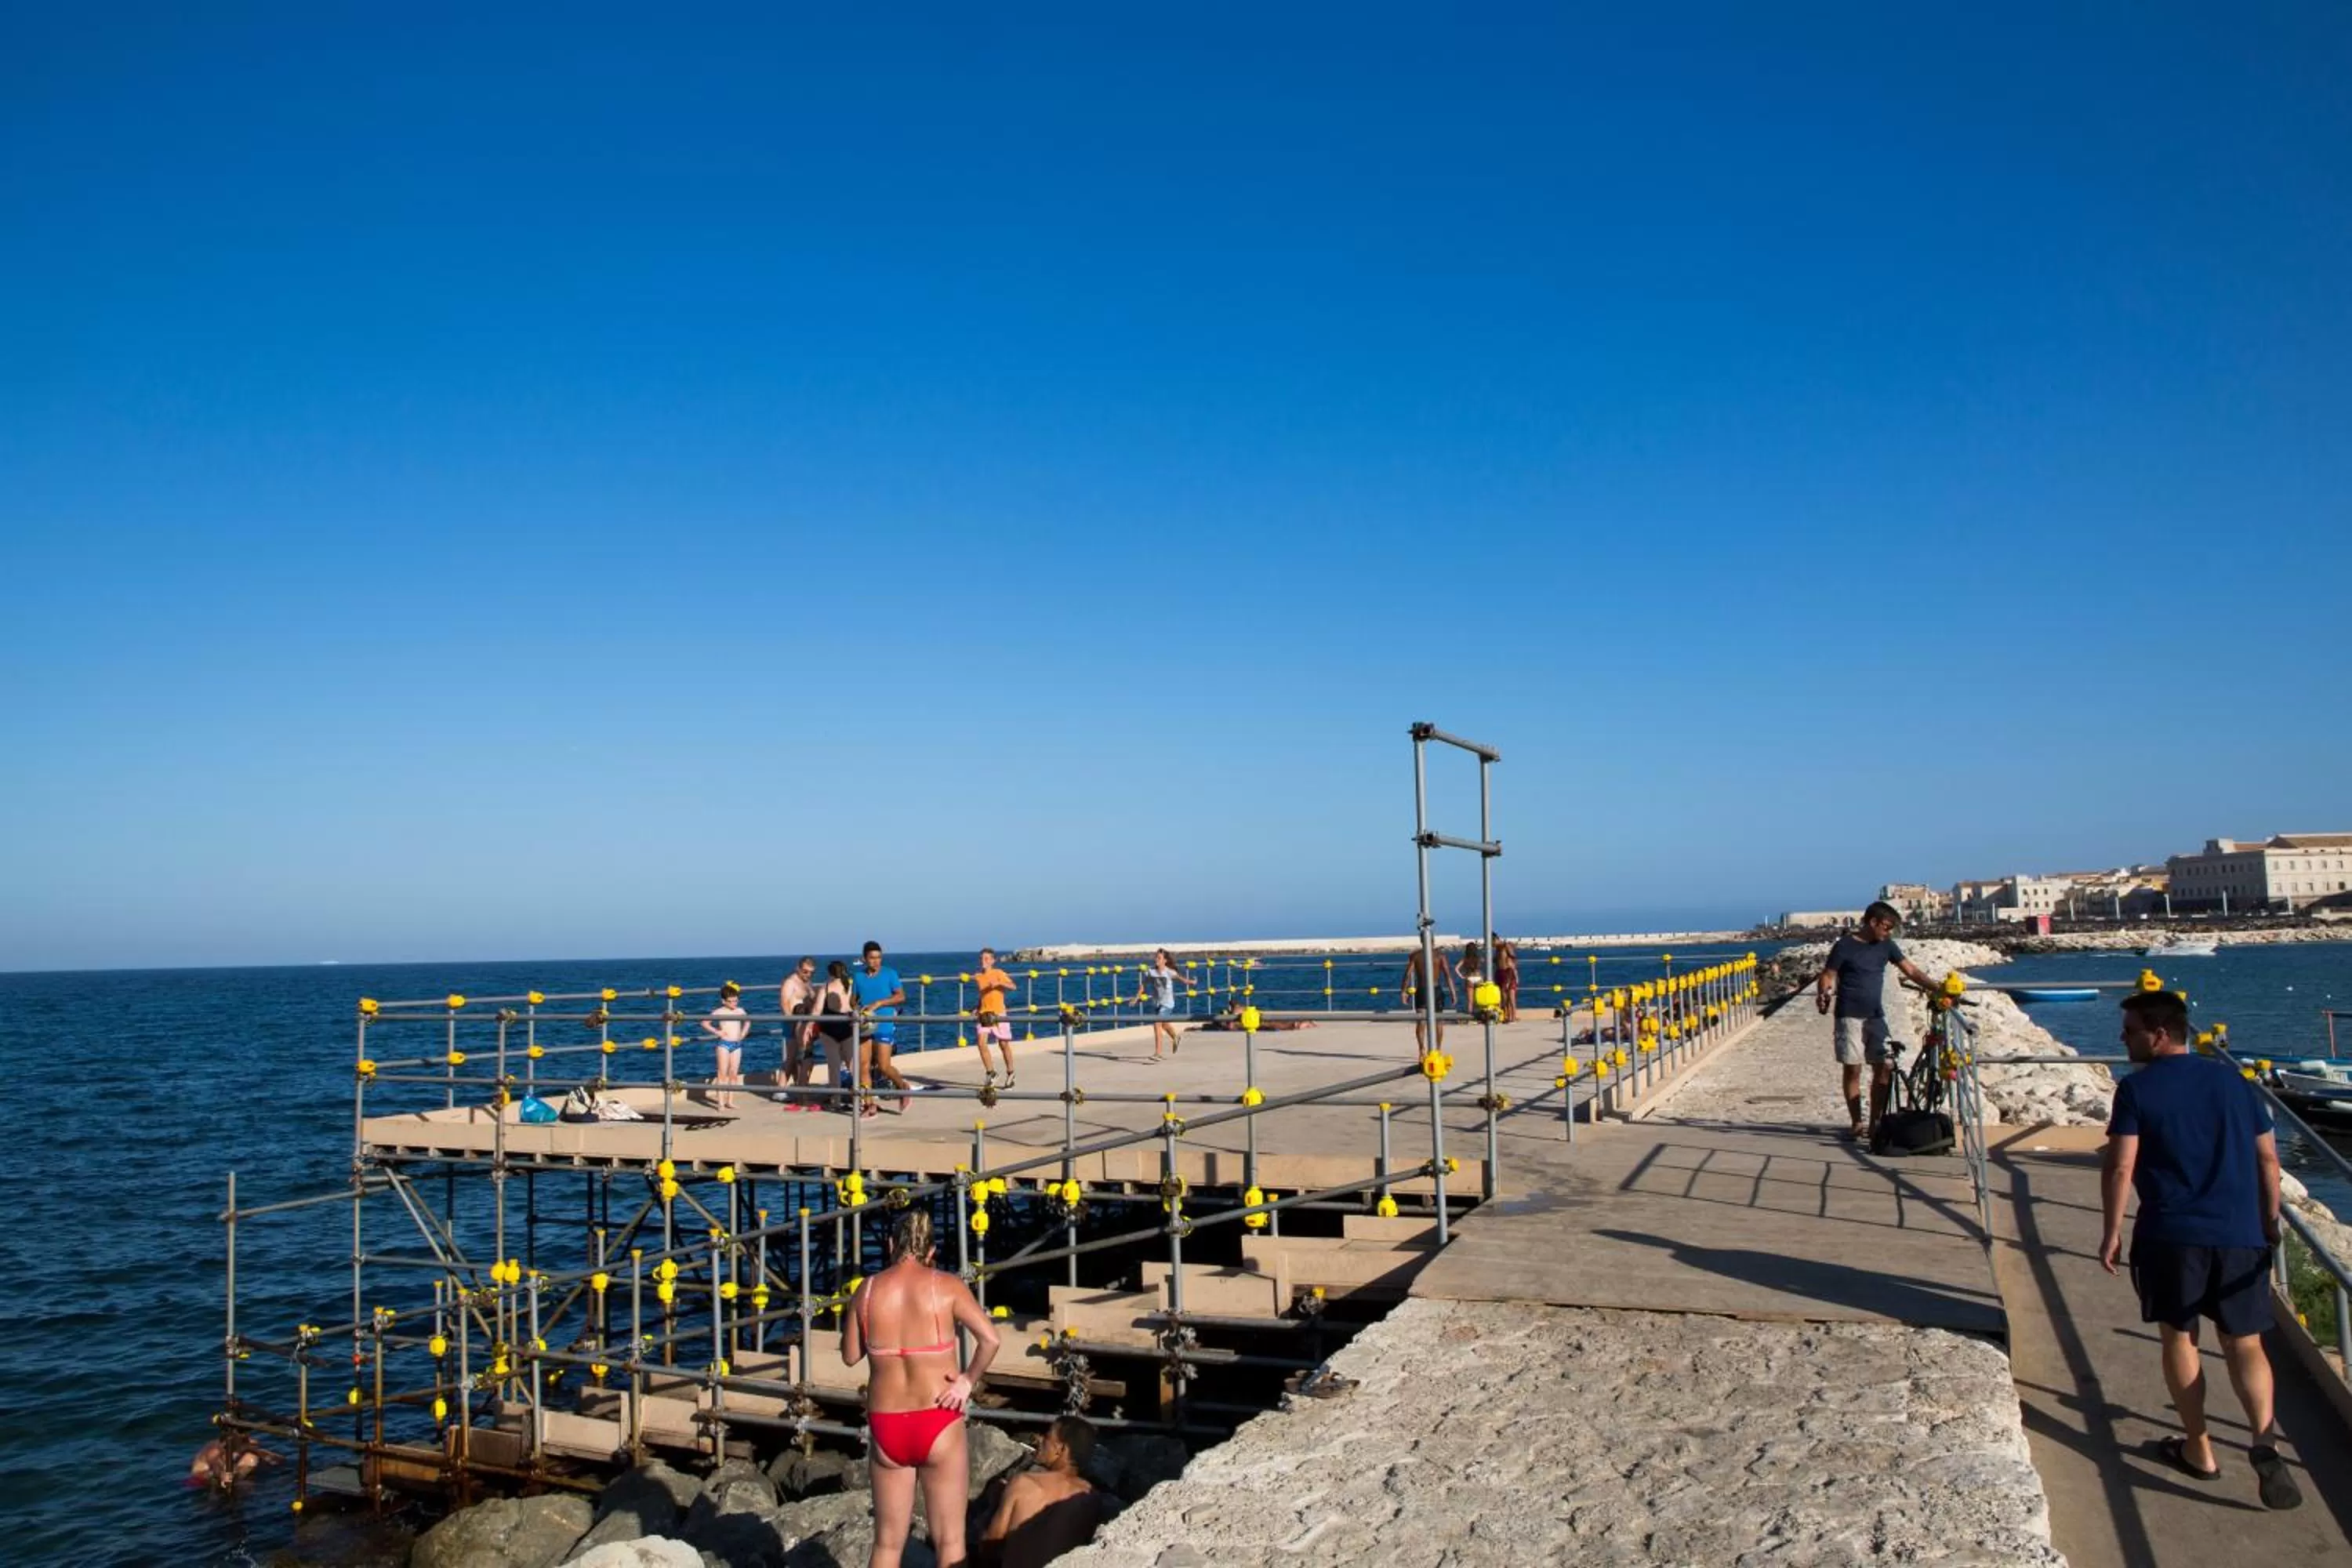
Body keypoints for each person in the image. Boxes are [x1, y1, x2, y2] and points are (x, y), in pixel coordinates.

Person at [2100, 989, 2302, 1508]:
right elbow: (2267, 1161)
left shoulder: (2137, 1091)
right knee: (2246, 1343)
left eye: (2130, 1031)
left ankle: (2200, 1450)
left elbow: (2121, 1165)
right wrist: (2270, 1220)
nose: (2123, 1039)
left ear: (2160, 1034)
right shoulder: (2236, 1083)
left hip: (2172, 1235)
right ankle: (2263, 1441)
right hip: (2240, 1232)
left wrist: (2111, 1231)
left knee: (2180, 1338)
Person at [842, 1208, 1002, 1568]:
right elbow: (990, 1339)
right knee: (950, 1542)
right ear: (931, 1251)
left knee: (886, 1545)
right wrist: (966, 1382)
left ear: (889, 1245)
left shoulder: (866, 1291)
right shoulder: (946, 1286)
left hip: (887, 1424)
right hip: (938, 1418)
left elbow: (850, 1356)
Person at [1813, 902, 1938, 1139]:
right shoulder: (1844, 946)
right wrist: (1824, 994)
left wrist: (1939, 989)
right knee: (1853, 1069)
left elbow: (1911, 971)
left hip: (1876, 1016)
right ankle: (1857, 1122)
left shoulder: (1886, 946)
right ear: (1873, 923)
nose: (1889, 932)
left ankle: (1875, 1123)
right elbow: (1828, 975)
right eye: (1887, 927)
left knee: (1884, 1067)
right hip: (1848, 1016)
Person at [979, 1415, 1107, 1568]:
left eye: (1047, 1437)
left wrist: (995, 1503)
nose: (1040, 1441)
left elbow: (990, 1546)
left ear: (1061, 1449)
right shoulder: (1091, 1498)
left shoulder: (1024, 1483)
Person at [855, 941, 913, 1114]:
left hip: (884, 1023)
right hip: (865, 1024)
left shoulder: (890, 974)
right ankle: (869, 1104)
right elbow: (854, 1000)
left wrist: (880, 1003)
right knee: (863, 1066)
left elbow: (901, 996)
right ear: (864, 959)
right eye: (872, 958)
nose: (876, 961)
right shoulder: (858, 977)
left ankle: (903, 1087)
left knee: (884, 1066)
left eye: (879, 957)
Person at [813, 960, 859, 1115]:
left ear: (830, 973)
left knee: (834, 1067)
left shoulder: (825, 988)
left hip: (829, 1029)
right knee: (853, 1065)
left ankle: (836, 1101)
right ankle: (861, 1099)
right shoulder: (851, 987)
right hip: (848, 1027)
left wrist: (807, 1027)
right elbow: (857, 1006)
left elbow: (817, 1010)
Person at [1134, 949, 1193, 1061]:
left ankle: (1158, 1053)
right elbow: (1143, 985)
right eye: (1156, 957)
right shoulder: (1150, 972)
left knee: (1157, 1025)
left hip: (1167, 1004)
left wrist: (1192, 982)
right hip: (1156, 1003)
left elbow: (1182, 980)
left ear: (1165, 961)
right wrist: (1137, 998)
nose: (1156, 959)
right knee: (1164, 1025)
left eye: (1159, 958)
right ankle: (1176, 1038)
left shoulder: (1169, 972)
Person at [701, 981, 750, 1111]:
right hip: (724, 1045)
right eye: (731, 1001)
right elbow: (705, 1023)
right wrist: (717, 1032)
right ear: (724, 1001)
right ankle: (721, 1103)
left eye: (736, 1000)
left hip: (737, 1045)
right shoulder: (719, 1012)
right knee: (722, 1074)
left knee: (734, 1073)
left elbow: (748, 1021)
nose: (734, 1003)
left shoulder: (740, 1011)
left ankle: (730, 1101)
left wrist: (744, 1033)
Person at [973, 949, 1018, 1088]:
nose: (983, 961)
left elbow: (1013, 986)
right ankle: (991, 1073)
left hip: (998, 1014)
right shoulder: (978, 977)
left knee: (1003, 1045)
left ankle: (1011, 1072)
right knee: (981, 1043)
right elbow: (983, 995)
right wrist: (977, 1006)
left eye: (987, 959)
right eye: (982, 958)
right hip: (984, 1014)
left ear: (993, 961)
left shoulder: (999, 973)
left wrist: (999, 983)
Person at [779, 956, 821, 1106]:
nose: (808, 975)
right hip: (793, 1022)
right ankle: (780, 1090)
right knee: (791, 1057)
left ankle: (799, 1087)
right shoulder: (790, 983)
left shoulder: (808, 983)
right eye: (805, 972)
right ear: (798, 968)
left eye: (811, 973)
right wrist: (791, 1022)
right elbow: (784, 1004)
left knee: (801, 1057)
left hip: (805, 1023)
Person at [1401, 946, 1455, 1053]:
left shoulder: (1416, 956)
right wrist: (1453, 993)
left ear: (1422, 941)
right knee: (1439, 1022)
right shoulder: (1440, 955)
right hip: (1436, 990)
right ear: (1433, 941)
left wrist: (1403, 992)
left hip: (1422, 990)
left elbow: (1407, 975)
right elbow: (1447, 975)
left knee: (1421, 1022)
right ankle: (1438, 1050)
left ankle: (1422, 1049)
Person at [188, 1430, 278, 1490]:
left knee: (251, 1457)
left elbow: (276, 1458)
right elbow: (216, 1466)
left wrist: (259, 1452)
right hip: (201, 1479)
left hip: (229, 1473)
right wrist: (224, 1474)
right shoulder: (214, 1451)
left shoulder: (246, 1444)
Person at [1494, 938, 1521, 1024]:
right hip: (1499, 972)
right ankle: (1506, 1015)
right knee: (1503, 996)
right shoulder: (1497, 949)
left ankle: (1513, 1017)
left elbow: (1514, 958)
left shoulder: (1506, 946)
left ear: (1495, 939)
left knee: (1511, 997)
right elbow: (1496, 960)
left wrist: (1514, 971)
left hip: (1507, 972)